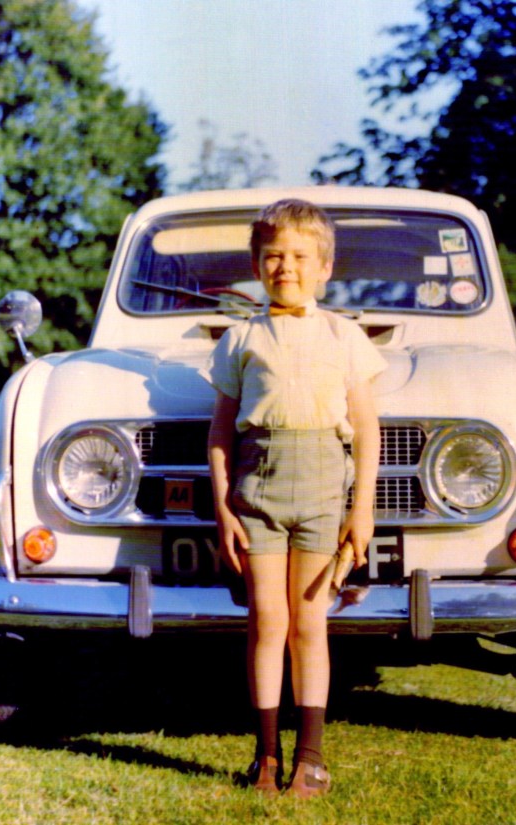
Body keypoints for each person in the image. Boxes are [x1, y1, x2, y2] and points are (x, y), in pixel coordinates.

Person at [200, 199, 386, 798]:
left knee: (310, 622)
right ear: (257, 264)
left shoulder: (345, 336)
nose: (287, 267)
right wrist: (224, 507)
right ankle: (266, 755)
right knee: (267, 621)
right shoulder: (241, 338)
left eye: (301, 256)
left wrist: (361, 512)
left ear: (325, 267)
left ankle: (311, 756)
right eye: (274, 255)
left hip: (323, 492)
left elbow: (367, 429)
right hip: (257, 493)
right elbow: (221, 432)